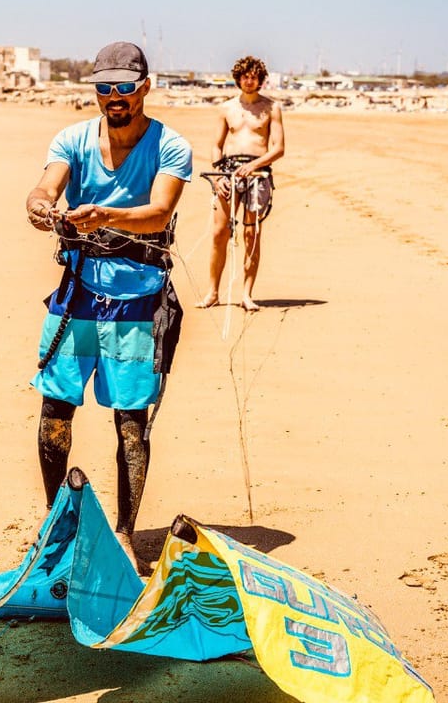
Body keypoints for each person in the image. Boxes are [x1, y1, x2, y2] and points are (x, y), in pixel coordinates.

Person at [25, 41, 191, 569]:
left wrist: (104, 216)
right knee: (55, 411)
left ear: (145, 86)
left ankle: (124, 532)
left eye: (124, 86)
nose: (114, 96)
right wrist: (40, 204)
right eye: (104, 87)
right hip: (75, 295)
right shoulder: (72, 139)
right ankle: (57, 524)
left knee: (131, 424)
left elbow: (159, 211)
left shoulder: (171, 145)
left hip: (138, 299)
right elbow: (47, 184)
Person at [198, 55, 285, 312]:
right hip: (228, 174)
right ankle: (212, 292)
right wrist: (217, 177)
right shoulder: (226, 108)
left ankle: (247, 294)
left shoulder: (272, 108)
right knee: (219, 233)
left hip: (258, 175)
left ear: (260, 79)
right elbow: (216, 145)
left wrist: (254, 166)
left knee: (251, 234)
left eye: (254, 76)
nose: (249, 80)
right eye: (245, 76)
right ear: (238, 78)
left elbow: (278, 148)